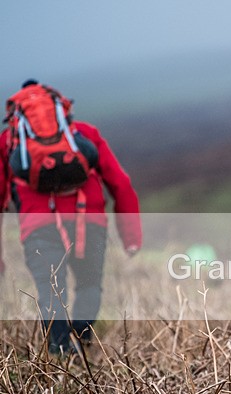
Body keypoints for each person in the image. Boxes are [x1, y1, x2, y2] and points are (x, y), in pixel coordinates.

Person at [0, 80, 142, 355]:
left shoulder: (8, 142)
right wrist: (131, 238)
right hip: (90, 223)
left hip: (38, 227)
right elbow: (121, 183)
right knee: (89, 285)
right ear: (60, 106)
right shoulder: (83, 133)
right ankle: (81, 344)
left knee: (51, 289)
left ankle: (60, 352)